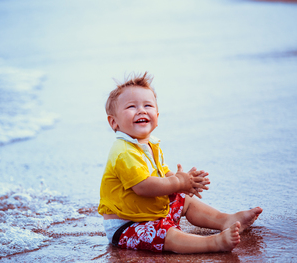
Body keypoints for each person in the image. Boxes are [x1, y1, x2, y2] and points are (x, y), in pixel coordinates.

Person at [99, 72, 262, 253]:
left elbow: (161, 174)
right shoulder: (123, 151)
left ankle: (225, 220)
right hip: (127, 225)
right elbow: (143, 186)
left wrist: (182, 181)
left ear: (157, 116)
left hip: (148, 213)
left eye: (148, 105)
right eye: (131, 106)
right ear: (114, 122)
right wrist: (177, 182)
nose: (142, 110)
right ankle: (213, 243)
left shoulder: (149, 145)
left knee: (184, 199)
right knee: (165, 234)